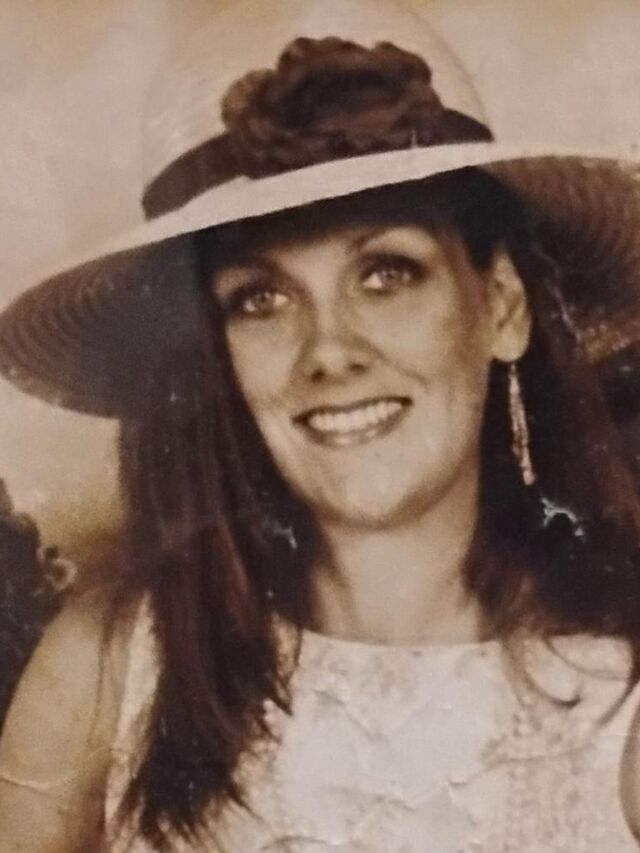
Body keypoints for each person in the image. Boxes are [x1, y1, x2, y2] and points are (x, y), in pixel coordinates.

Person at [1, 0, 640, 850]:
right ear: (213, 357)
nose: (329, 351)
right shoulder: (105, 672)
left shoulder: (623, 696)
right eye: (260, 298)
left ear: (502, 306)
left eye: (387, 273)